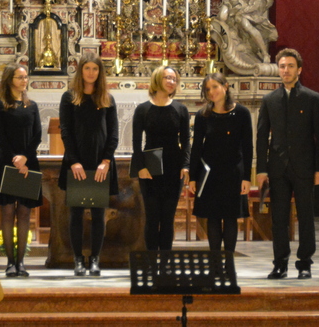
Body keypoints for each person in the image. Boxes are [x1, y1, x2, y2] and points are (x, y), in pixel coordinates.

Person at [256, 48, 319, 280]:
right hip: (277, 167)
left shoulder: (311, 98)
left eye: (290, 66)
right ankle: (280, 264)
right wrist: (261, 169)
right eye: (282, 66)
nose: (286, 70)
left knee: (305, 217)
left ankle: (305, 263)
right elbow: (262, 136)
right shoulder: (269, 100)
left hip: (304, 167)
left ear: (299, 69)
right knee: (279, 218)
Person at [58, 55, 119, 276]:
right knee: (75, 213)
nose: (91, 72)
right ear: (80, 70)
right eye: (87, 68)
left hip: (100, 163)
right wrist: (73, 161)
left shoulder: (107, 98)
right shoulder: (69, 97)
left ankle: (94, 259)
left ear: (100, 72)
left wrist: (106, 161)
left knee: (98, 213)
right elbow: (66, 131)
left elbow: (113, 133)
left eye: (95, 69)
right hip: (77, 162)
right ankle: (78, 260)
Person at [189, 73, 252, 255]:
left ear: (225, 86)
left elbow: (247, 147)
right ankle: (215, 261)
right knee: (213, 218)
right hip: (210, 174)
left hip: (234, 172)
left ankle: (229, 261)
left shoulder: (242, 113)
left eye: (215, 87)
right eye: (207, 89)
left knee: (231, 217)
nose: (211, 92)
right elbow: (197, 148)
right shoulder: (203, 115)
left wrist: (247, 177)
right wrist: (193, 177)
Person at [132, 66, 191, 251]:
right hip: (150, 167)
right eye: (168, 78)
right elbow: (136, 142)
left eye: (174, 79)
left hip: (173, 167)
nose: (172, 82)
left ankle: (165, 261)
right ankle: (151, 261)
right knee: (152, 218)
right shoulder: (143, 109)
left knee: (167, 218)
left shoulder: (181, 109)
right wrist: (141, 167)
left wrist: (186, 165)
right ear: (158, 79)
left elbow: (186, 141)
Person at [0, 64, 42, 277]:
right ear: (9, 80)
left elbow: (37, 135)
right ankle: (10, 262)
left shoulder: (32, 105)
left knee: (24, 212)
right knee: (7, 212)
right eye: (20, 77)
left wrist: (25, 158)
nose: (24, 81)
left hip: (28, 163)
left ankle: (21, 262)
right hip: (7, 161)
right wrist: (15, 158)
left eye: (25, 77)